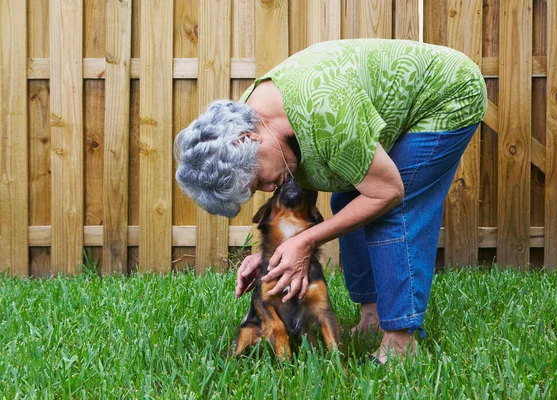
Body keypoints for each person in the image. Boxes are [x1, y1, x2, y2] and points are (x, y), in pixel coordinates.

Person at [174, 39, 487, 363]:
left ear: (250, 140)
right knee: (346, 205)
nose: (268, 189)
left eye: (258, 180)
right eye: (257, 190)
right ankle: (372, 317)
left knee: (390, 210)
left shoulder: (324, 111)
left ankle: (401, 343)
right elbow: (298, 186)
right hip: (364, 117)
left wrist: (307, 241)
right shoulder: (240, 122)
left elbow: (388, 192)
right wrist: (270, 256)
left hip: (446, 95)